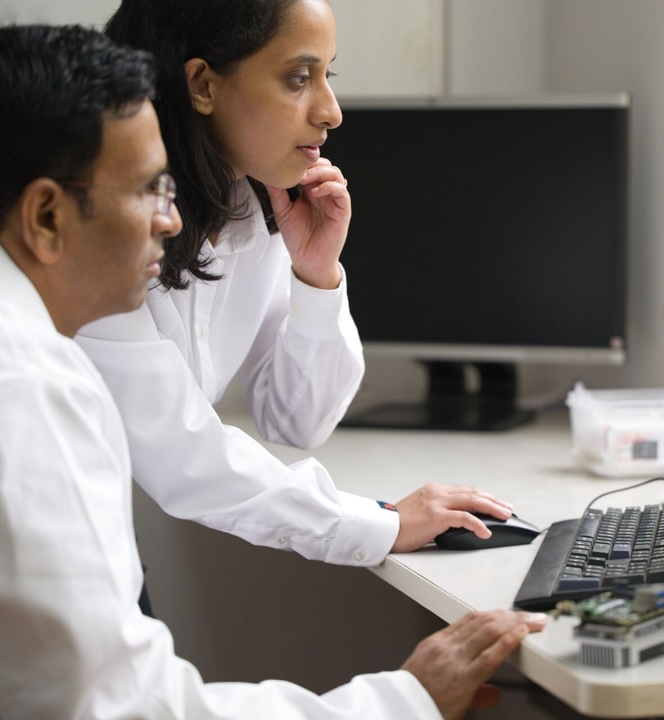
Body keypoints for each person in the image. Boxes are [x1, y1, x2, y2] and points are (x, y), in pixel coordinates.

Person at [0, 23, 547, 719]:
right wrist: (401, 701)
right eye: (147, 190)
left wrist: (316, 278)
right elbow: (126, 710)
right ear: (47, 215)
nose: (168, 222)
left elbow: (295, 422)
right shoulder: (11, 390)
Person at [76, 0, 515, 572]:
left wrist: (316, 275)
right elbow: (182, 455)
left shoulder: (253, 211)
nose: (331, 111)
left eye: (328, 76)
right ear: (203, 85)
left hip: (94, 540)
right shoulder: (105, 229)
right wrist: (383, 522)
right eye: (298, 79)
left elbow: (297, 420)